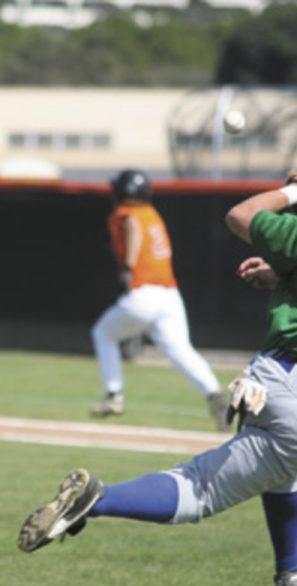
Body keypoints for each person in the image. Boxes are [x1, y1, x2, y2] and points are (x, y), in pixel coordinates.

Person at [18, 150, 297, 586]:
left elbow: (242, 216)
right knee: (199, 489)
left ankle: (292, 569)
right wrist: (292, 271)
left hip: (280, 385)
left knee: (284, 472)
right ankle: (97, 499)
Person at [90, 169, 228, 430]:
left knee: (102, 333)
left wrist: (129, 265)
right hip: (169, 295)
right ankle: (213, 393)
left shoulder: (125, 213)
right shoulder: (152, 214)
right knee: (180, 350)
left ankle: (113, 394)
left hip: (144, 294)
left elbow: (131, 226)